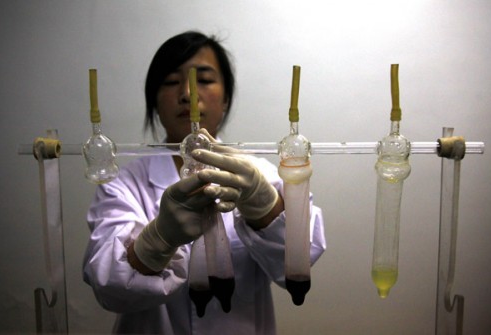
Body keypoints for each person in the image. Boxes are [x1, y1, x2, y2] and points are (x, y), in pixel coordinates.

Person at [83, 31, 326, 335]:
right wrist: (157, 240)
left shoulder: (260, 174)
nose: (187, 93)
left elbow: (304, 254)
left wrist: (264, 206)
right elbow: (109, 289)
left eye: (204, 79)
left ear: (225, 98)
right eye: (171, 82)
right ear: (154, 101)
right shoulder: (123, 184)